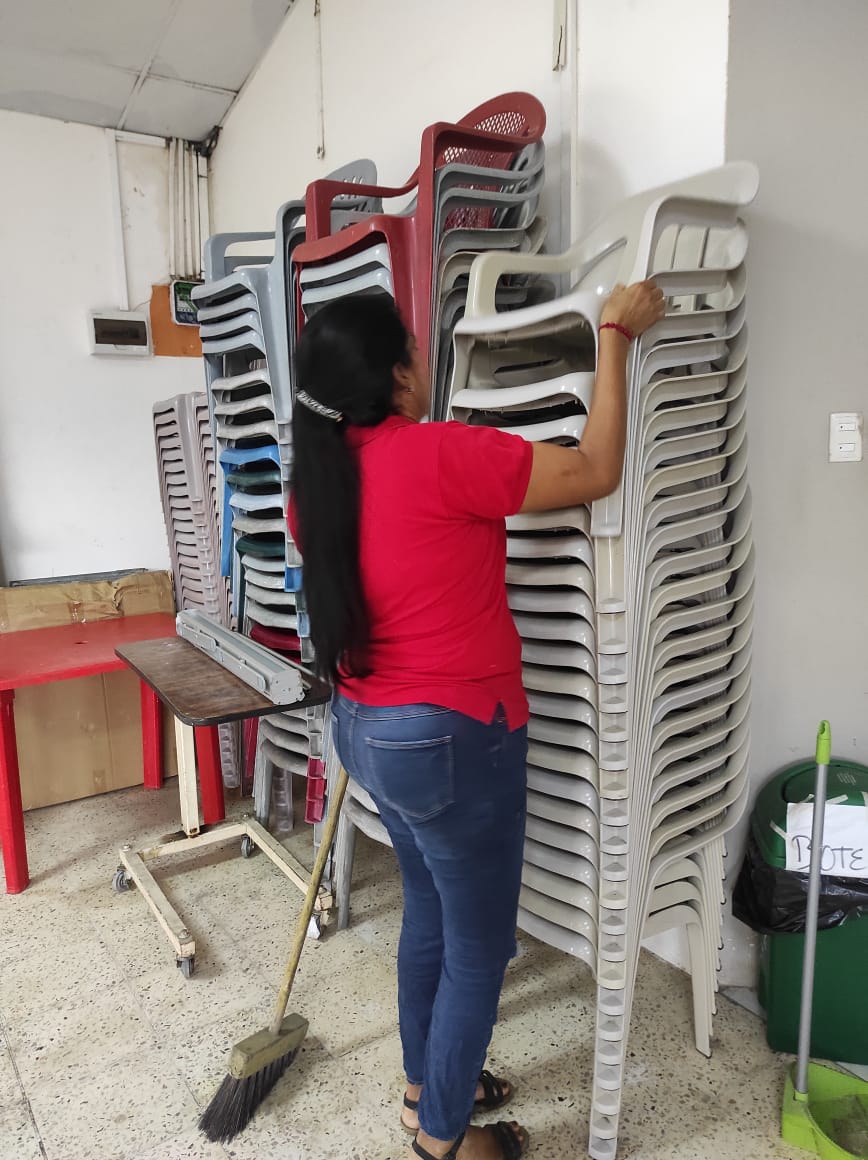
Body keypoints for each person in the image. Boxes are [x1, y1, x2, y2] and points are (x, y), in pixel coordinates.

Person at [289, 280, 664, 1160]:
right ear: (398, 377)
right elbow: (596, 469)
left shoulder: (316, 488)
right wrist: (615, 334)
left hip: (364, 729)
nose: (424, 361)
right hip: (450, 738)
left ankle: (426, 1087)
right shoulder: (439, 453)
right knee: (479, 947)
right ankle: (443, 1143)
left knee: (428, 913)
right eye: (416, 350)